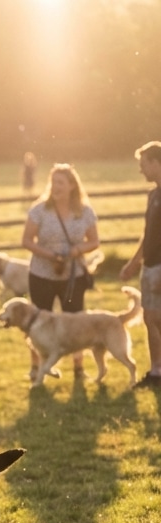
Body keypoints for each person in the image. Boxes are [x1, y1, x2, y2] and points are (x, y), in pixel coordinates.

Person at [21, 163, 100, 380]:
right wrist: (49, 255)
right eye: (53, 182)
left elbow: (94, 241)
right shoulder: (39, 210)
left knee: (76, 321)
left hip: (73, 275)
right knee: (37, 322)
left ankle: (78, 367)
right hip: (41, 274)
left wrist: (75, 251)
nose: (56, 187)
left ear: (72, 185)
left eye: (61, 183)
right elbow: (26, 240)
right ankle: (36, 367)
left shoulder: (85, 212)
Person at [120, 141, 161, 388]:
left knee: (156, 318)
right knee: (150, 318)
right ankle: (156, 370)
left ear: (156, 163)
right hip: (150, 265)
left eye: (143, 164)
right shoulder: (153, 195)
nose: (140, 170)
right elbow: (148, 234)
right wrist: (135, 263)